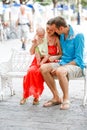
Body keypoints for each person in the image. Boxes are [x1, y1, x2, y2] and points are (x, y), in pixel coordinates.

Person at [40, 16, 85, 110]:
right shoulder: (61, 35)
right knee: (43, 68)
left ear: (61, 28)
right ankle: (56, 97)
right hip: (63, 62)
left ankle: (66, 99)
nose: (53, 32)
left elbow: (79, 59)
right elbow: (61, 53)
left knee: (60, 71)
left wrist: (62, 66)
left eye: (54, 30)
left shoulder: (78, 35)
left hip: (77, 65)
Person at [20, 22, 62, 105]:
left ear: (55, 30)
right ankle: (25, 95)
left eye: (51, 29)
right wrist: (35, 44)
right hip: (37, 62)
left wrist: (54, 57)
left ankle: (36, 95)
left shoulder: (56, 39)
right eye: (47, 29)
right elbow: (31, 52)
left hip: (48, 62)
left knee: (39, 72)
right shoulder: (41, 36)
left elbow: (60, 54)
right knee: (30, 71)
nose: (49, 31)